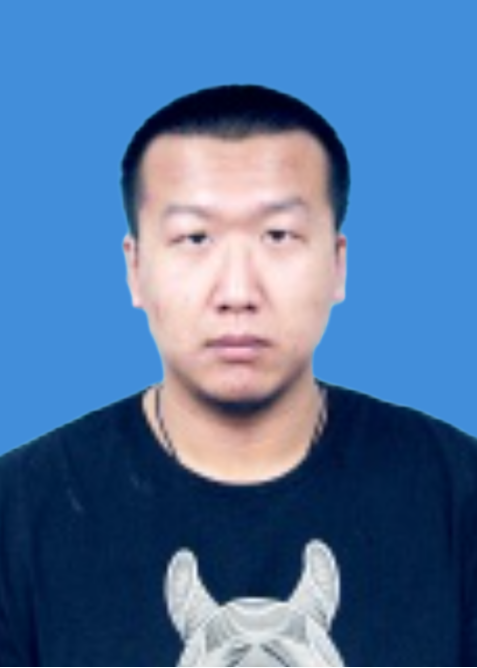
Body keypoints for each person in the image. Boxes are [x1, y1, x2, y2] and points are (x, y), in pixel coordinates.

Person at [0, 84, 476, 667]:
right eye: (194, 238)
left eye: (278, 236)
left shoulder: (457, 496)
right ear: (136, 268)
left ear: (337, 264)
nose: (237, 291)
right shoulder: (18, 514)